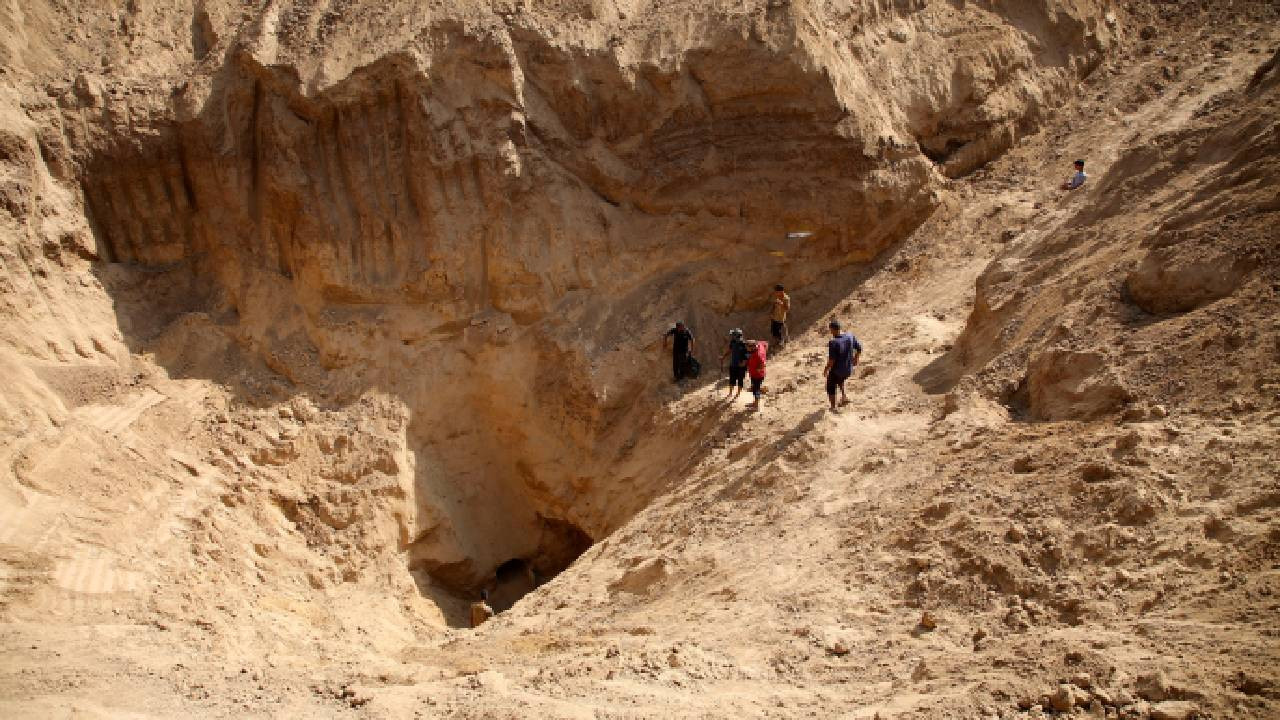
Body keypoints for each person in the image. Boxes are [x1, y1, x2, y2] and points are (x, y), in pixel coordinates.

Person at [823, 320, 862, 412]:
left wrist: (826, 369)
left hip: (839, 370)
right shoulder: (850, 335)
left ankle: (833, 407)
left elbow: (832, 361)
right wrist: (856, 358)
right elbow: (859, 348)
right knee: (840, 379)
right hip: (849, 370)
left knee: (830, 385)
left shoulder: (833, 342)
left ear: (832, 329)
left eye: (830, 330)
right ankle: (844, 397)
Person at [720, 328, 749, 401]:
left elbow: (748, 355)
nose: (732, 336)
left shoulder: (744, 344)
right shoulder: (732, 342)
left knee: (740, 380)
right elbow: (730, 350)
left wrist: (744, 363)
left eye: (733, 335)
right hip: (733, 365)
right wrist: (723, 356)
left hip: (741, 367)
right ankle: (730, 393)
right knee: (732, 380)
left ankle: (737, 394)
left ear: (737, 336)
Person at [746, 339, 768, 409]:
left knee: (756, 390)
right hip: (754, 374)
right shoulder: (759, 345)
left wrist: (757, 370)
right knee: (755, 387)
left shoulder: (758, 354)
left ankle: (756, 405)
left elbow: (763, 364)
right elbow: (766, 343)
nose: (747, 349)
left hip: (757, 375)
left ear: (752, 347)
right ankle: (755, 402)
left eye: (748, 347)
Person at [768, 284, 791, 350]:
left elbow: (787, 309)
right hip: (775, 317)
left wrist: (781, 304)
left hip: (780, 318)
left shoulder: (786, 298)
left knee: (780, 331)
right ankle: (777, 342)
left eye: (776, 291)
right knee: (773, 331)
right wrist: (771, 312)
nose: (775, 293)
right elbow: (774, 305)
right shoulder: (777, 297)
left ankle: (782, 343)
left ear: (781, 291)